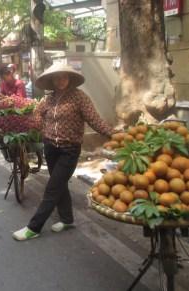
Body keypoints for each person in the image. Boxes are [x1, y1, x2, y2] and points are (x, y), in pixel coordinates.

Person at [12, 63, 115, 241]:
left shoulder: (79, 98)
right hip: (50, 147)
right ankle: (67, 219)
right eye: (57, 77)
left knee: (52, 188)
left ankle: (34, 228)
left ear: (69, 78)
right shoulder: (47, 99)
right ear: (51, 80)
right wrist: (30, 124)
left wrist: (113, 134)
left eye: (64, 77)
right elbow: (37, 115)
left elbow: (95, 120)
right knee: (60, 185)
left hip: (69, 150)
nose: (60, 80)